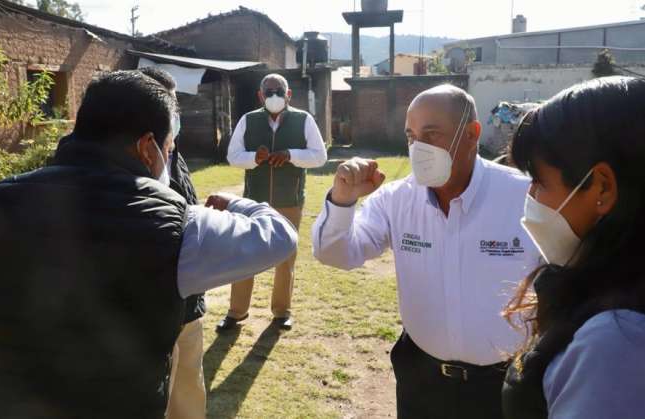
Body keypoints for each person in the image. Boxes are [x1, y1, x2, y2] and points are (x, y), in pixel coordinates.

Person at [0, 70, 298, 419]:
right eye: (169, 146)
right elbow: (279, 236)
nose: (170, 155)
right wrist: (239, 203)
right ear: (147, 147)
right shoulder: (179, 227)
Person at [312, 84, 541, 419]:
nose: (418, 148)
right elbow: (336, 253)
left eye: (431, 134)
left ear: (472, 134)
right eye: (411, 136)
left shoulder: (524, 195)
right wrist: (343, 200)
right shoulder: (396, 199)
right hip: (422, 379)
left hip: (506, 384)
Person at [502, 76, 645, 419]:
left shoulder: (615, 342)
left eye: (538, 182)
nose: (531, 198)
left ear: (602, 188)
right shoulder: (615, 287)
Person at [220, 73, 327, 331]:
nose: (274, 96)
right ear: (260, 96)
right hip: (253, 201)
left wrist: (290, 155)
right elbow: (233, 156)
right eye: (268, 92)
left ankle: (282, 312)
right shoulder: (249, 120)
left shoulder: (304, 120)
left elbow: (319, 156)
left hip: (289, 198)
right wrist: (254, 158)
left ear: (288, 95)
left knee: (286, 256)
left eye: (279, 91)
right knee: (245, 254)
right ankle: (236, 312)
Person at [137, 66, 207, 419]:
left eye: (175, 103)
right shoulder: (130, 162)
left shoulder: (174, 154)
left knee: (189, 390)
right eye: (168, 103)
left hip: (188, 303)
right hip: (151, 310)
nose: (174, 113)